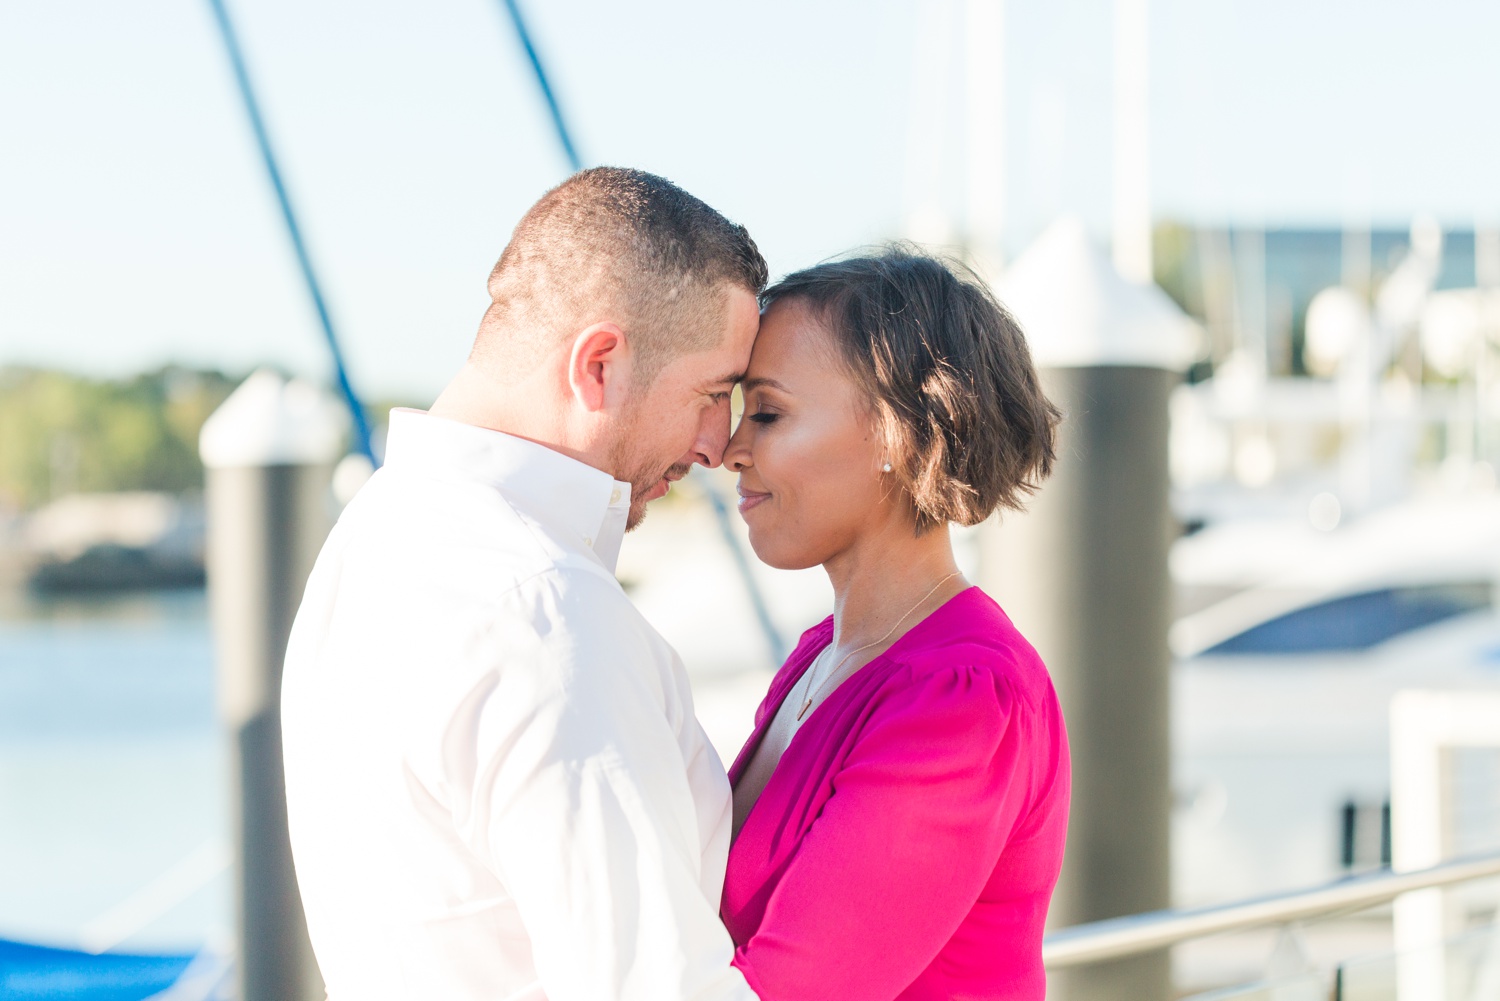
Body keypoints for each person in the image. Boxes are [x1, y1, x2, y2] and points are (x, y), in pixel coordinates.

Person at [280, 167, 767, 1001]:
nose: (717, 445)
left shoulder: (368, 542)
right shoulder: (545, 611)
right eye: (712, 393)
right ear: (600, 365)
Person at [721, 247, 1071, 1001]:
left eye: (768, 412)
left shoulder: (965, 696)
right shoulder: (824, 653)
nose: (730, 449)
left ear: (894, 433)